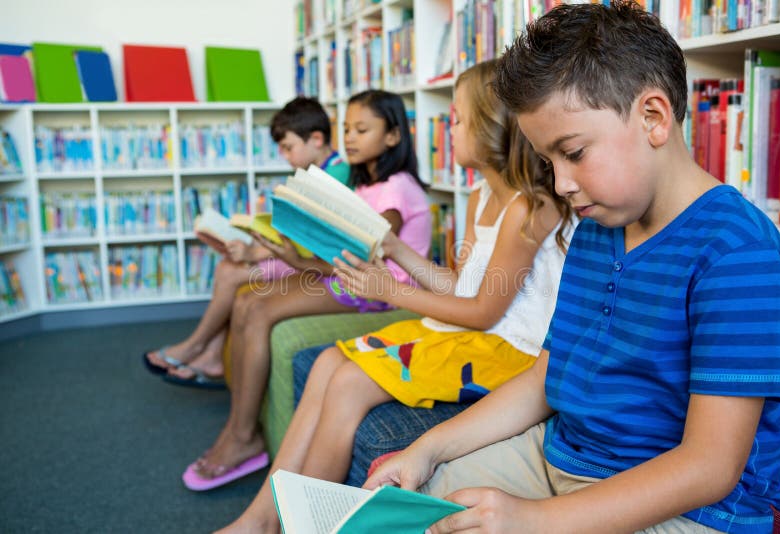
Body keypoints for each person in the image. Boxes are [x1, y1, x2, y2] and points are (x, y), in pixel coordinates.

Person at [364, 3, 780, 533]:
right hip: (562, 459)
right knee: (404, 512)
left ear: (654, 118)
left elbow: (709, 467)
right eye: (550, 162)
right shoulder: (596, 228)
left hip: (690, 510)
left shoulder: (739, 253)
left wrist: (537, 521)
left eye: (573, 152)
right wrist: (428, 447)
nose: (561, 184)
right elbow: (549, 375)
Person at [218, 58, 576, 534]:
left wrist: (391, 290)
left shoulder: (529, 209)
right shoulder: (479, 196)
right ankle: (261, 518)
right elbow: (459, 286)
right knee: (327, 364)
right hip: (468, 332)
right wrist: (394, 249)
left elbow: (483, 311)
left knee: (347, 383)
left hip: (508, 351)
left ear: (495, 129)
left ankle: (313, 526)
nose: (450, 129)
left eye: (459, 119)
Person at [182, 89, 432, 491]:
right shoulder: (365, 185)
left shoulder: (396, 189)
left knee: (260, 310)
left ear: (392, 136)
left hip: (380, 290)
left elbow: (368, 256)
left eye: (361, 129)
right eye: (346, 128)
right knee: (248, 301)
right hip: (355, 279)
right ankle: (237, 428)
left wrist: (304, 255)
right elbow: (346, 258)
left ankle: (243, 437)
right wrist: (295, 259)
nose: (349, 137)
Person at [142, 97, 349, 387]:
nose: (284, 155)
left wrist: (255, 251)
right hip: (298, 254)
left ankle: (195, 347)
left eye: (288, 147)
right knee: (231, 265)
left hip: (310, 261)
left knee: (231, 271)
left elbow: (305, 235)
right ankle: (211, 352)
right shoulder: (320, 171)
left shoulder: (336, 175)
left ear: (316, 139)